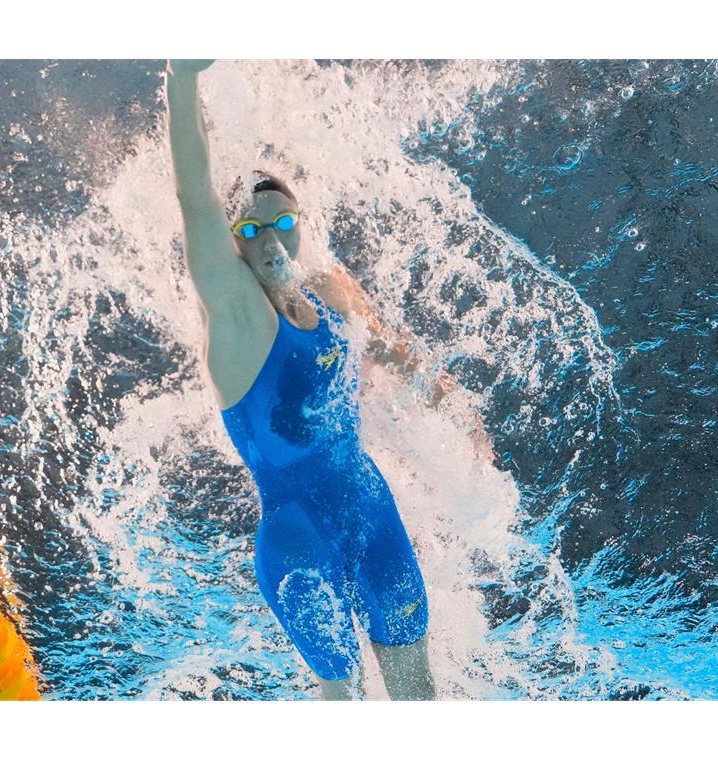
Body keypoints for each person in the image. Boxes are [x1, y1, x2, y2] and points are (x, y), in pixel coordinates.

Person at [165, 59, 449, 700]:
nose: (270, 238)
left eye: (284, 223)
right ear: (233, 242)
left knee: (419, 698)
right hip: (300, 546)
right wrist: (181, 78)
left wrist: (446, 405)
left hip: (374, 514)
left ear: (302, 224)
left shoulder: (330, 293)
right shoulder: (237, 318)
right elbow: (194, 201)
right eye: (250, 228)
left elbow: (393, 354)